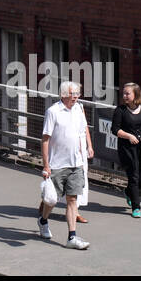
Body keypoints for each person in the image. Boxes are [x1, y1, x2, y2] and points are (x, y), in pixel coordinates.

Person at [38, 81, 94, 249]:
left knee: (72, 200)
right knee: (51, 200)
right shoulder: (53, 112)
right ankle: (43, 220)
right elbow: (45, 139)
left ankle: (72, 237)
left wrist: (88, 149)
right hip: (57, 164)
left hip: (76, 164)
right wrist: (46, 165)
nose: (75, 97)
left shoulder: (79, 109)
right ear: (63, 95)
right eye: (72, 94)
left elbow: (83, 131)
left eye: (77, 93)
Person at [110, 82, 141, 217]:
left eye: (127, 93)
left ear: (136, 94)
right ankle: (136, 207)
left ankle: (128, 192)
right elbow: (115, 129)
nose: (124, 96)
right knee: (133, 177)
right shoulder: (120, 110)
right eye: (124, 93)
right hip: (127, 149)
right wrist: (128, 136)